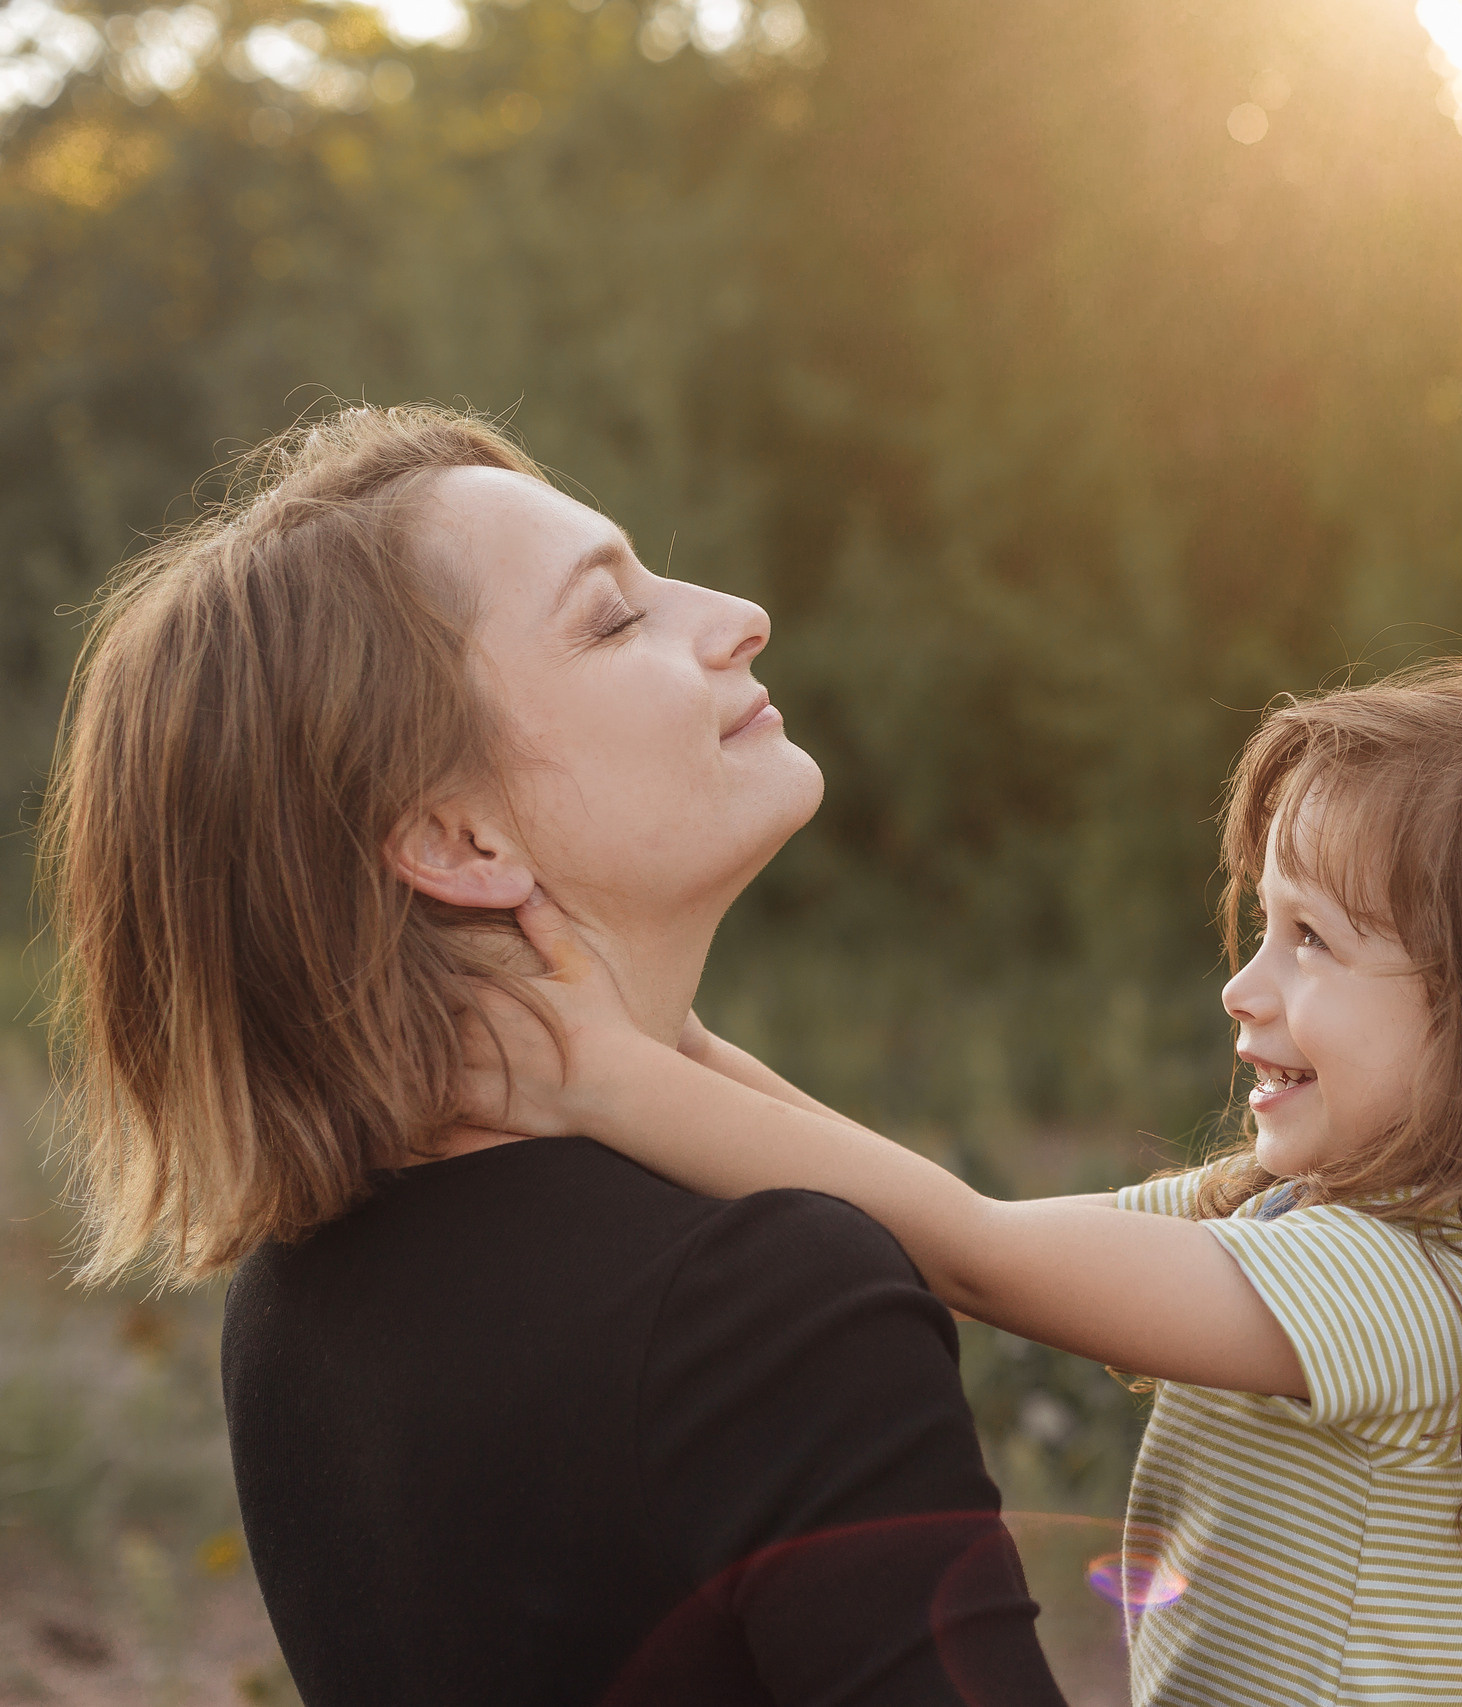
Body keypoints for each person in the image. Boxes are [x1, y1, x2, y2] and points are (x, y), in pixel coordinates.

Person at [471, 659, 1462, 1706]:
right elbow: (948, 1216)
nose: (1244, 987)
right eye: (1263, 925)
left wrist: (600, 1074)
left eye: (1314, 943)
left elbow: (974, 1254)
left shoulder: (1439, 1292)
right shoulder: (1321, 1218)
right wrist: (669, 1040)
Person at [37, 405, 1070, 1707]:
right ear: (460, 842)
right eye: (614, 617)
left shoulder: (295, 1296)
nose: (741, 614)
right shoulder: (762, 1303)